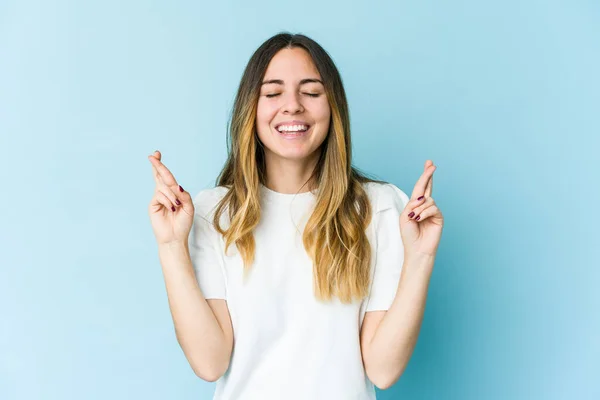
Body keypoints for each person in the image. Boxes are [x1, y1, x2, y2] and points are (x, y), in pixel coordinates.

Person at [147, 32, 444, 400]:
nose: (292, 106)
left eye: (311, 92)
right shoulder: (213, 213)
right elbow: (210, 363)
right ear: (249, 110)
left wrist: (421, 258)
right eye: (272, 93)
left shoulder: (379, 208)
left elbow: (382, 370)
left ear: (333, 106)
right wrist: (172, 245)